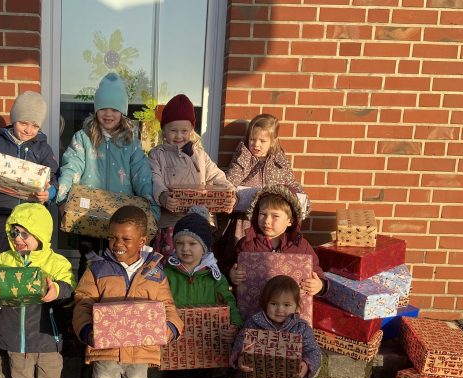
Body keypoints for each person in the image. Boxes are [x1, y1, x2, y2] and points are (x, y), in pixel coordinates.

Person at [73, 205, 182, 378]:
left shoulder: (155, 272)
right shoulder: (97, 268)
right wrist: (87, 330)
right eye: (113, 238)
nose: (117, 244)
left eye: (125, 239)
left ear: (142, 240)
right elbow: (83, 301)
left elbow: (168, 307)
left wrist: (170, 329)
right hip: (105, 351)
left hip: (140, 353)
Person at [0, 203, 75, 378]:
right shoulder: (5, 259)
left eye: (24, 233)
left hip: (47, 337)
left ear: (40, 234)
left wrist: (57, 291)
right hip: (17, 338)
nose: (18, 239)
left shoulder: (57, 262)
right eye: (14, 232)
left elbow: (70, 288)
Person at [56, 72, 159, 274]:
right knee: (89, 261)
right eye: (103, 108)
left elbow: (142, 175)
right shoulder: (83, 138)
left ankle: (114, 301)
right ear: (96, 109)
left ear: (123, 111)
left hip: (121, 217)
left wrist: (152, 209)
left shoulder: (131, 143)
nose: (108, 114)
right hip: (88, 213)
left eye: (114, 109)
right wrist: (62, 199)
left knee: (119, 263)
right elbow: (71, 167)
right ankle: (85, 301)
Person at [162, 206, 243, 378]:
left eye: (192, 244)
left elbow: (228, 301)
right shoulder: (167, 273)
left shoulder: (213, 274)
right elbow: (159, 300)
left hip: (206, 344)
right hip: (178, 346)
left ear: (204, 248)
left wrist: (234, 324)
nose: (186, 249)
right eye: (181, 243)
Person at [0, 91, 59, 253]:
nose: (28, 130)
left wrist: (50, 192)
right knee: (4, 251)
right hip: (4, 210)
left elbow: (53, 177)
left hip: (32, 213)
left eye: (35, 126)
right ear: (13, 120)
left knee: (32, 255)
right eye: (23, 123)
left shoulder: (43, 149)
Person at [216, 114, 309, 264]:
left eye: (262, 141)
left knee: (267, 259)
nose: (256, 145)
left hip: (270, 222)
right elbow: (228, 184)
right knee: (239, 256)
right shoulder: (242, 158)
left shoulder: (280, 163)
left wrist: (302, 204)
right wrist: (244, 158)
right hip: (243, 222)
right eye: (252, 139)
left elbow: (294, 188)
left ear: (273, 142)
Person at [149, 94, 235, 258]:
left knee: (199, 264)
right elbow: (155, 179)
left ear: (192, 130)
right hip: (171, 223)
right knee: (171, 263)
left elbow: (217, 177)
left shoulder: (200, 156)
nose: (179, 136)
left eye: (184, 131)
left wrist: (230, 194)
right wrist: (163, 196)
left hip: (199, 222)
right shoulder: (157, 155)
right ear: (164, 131)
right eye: (173, 130)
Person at [227, 184, 327, 297]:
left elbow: (317, 273)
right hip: (254, 307)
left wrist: (319, 285)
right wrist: (231, 274)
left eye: (275, 216)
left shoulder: (301, 246)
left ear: (290, 221)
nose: (267, 221)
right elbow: (229, 266)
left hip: (290, 310)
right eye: (263, 214)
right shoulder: (247, 244)